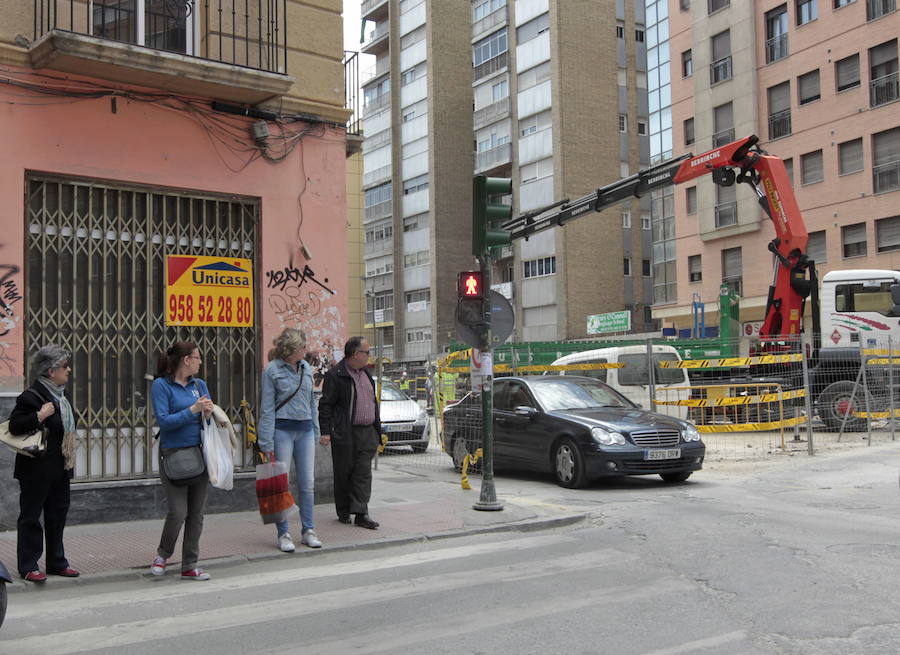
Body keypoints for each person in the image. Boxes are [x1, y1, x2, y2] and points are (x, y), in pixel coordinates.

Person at [8, 345, 79, 583]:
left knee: (57, 515)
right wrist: (39, 416)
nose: (68, 370)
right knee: (31, 516)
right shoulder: (31, 397)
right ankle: (28, 565)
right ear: (51, 371)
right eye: (64, 366)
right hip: (36, 470)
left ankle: (57, 562)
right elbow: (15, 426)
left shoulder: (61, 395)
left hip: (60, 467)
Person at [150, 341, 214, 581]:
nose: (200, 362)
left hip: (198, 453)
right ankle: (162, 555)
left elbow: (206, 421)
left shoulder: (199, 385)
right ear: (186, 360)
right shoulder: (161, 386)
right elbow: (164, 422)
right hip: (173, 453)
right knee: (178, 511)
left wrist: (207, 414)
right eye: (198, 357)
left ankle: (190, 564)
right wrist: (193, 410)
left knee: (196, 513)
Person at [258, 328, 322, 552]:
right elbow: (266, 408)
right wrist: (265, 442)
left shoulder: (305, 368)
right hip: (282, 431)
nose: (306, 350)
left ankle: (308, 530)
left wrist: (316, 431)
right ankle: (283, 533)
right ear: (292, 349)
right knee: (280, 484)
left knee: (308, 483)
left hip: (304, 430)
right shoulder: (272, 370)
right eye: (302, 347)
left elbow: (312, 403)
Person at [318, 336, 381, 529]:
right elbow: (326, 405)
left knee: (363, 473)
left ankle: (361, 513)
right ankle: (344, 510)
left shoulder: (366, 374)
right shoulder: (336, 375)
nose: (369, 356)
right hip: (345, 432)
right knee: (344, 473)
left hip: (367, 432)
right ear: (356, 354)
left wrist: (377, 430)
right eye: (367, 352)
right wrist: (326, 431)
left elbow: (372, 402)